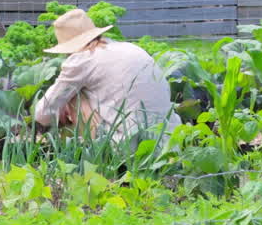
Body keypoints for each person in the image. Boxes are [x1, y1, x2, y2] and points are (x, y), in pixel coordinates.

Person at [33, 8, 179, 144]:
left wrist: (46, 121)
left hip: (128, 146)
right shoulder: (130, 48)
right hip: (169, 140)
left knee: (73, 96)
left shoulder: (82, 60)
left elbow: (44, 111)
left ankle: (95, 152)